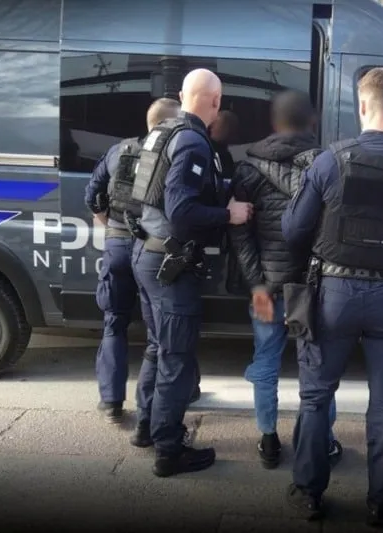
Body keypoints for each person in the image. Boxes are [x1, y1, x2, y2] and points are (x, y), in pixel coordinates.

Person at [281, 67, 383, 526]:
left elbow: (293, 230)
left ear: (361, 105)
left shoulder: (331, 161)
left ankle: (309, 494)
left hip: (332, 294)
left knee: (317, 397)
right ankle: (382, 502)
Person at [128, 68, 253, 477]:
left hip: (146, 253)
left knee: (157, 348)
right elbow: (182, 211)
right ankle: (169, 450)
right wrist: (229, 214)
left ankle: (146, 428)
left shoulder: (162, 132)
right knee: (176, 359)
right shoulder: (193, 142)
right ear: (215, 102)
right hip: (171, 264)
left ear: (183, 96)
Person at [228, 90, 342, 470]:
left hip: (269, 288)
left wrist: (257, 286)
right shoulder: (327, 167)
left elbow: (240, 237)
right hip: (314, 288)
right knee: (319, 366)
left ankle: (268, 439)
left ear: (274, 124)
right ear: (312, 122)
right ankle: (322, 440)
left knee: (265, 360)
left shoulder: (247, 171)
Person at [84, 97, 181, 424]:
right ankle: (147, 408)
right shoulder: (171, 155)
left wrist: (111, 226)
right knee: (156, 332)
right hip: (150, 249)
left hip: (117, 244)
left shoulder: (119, 151)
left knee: (114, 321)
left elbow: (91, 196)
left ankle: (111, 401)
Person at [209, 109, 239, 179]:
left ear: (227, 129)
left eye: (215, 123)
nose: (211, 126)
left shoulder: (224, 157)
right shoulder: (205, 147)